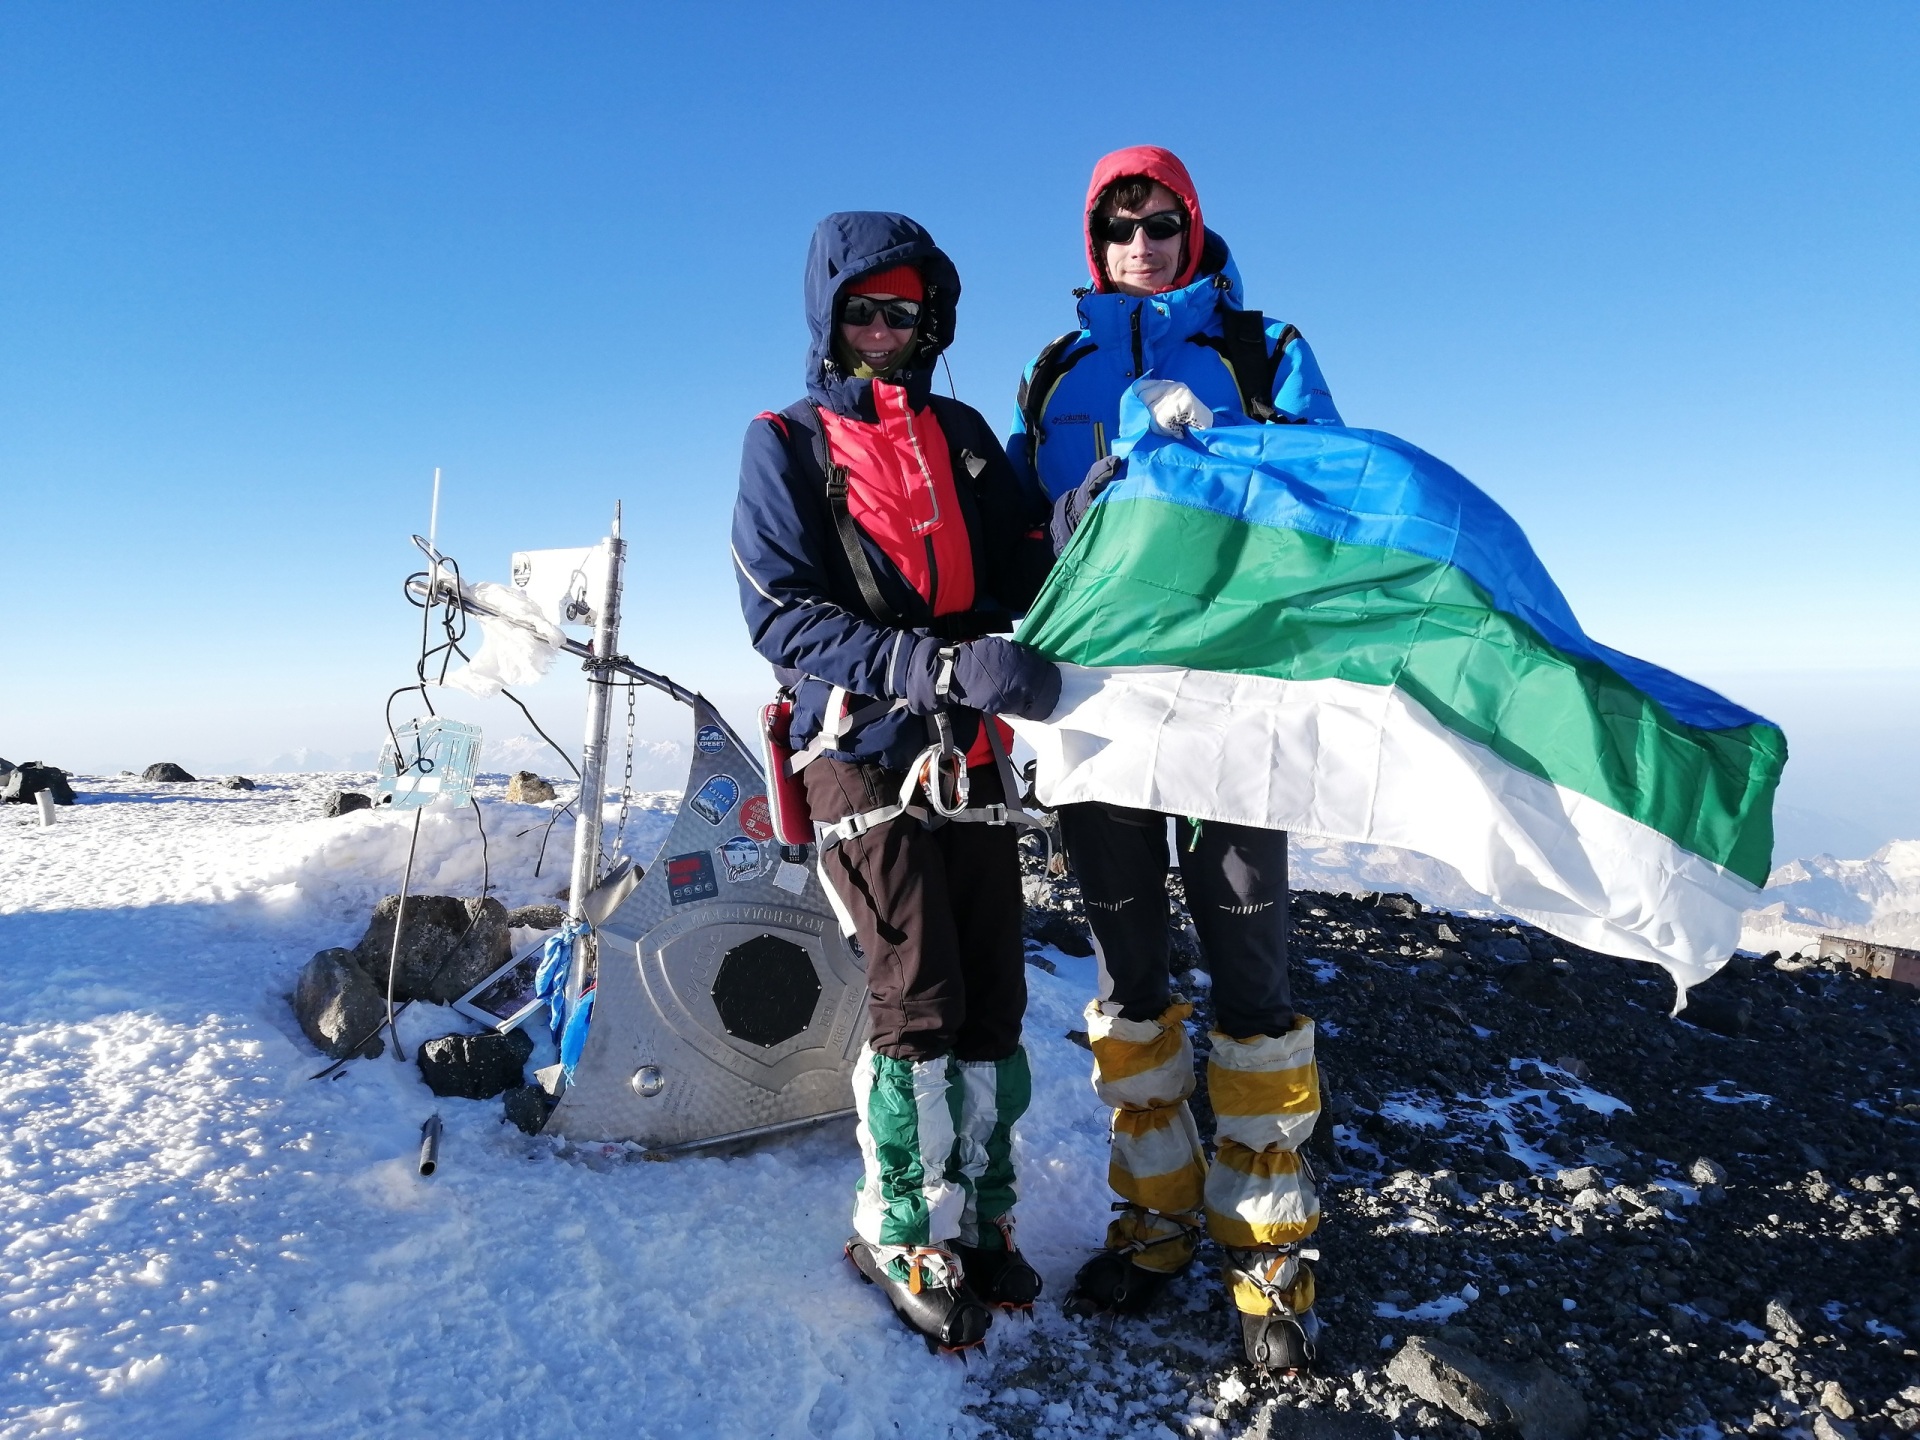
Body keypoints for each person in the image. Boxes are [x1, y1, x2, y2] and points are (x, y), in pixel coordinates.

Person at [1010, 146, 1342, 1371]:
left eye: (1162, 222)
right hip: (1098, 710)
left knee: (1252, 972)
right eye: (1119, 225)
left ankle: (1268, 1254)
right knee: (1130, 975)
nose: (1141, 243)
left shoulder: (1262, 352)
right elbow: (1018, 529)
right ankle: (1154, 1219)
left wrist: (1221, 482)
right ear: (1092, 246)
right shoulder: (1057, 371)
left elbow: (1328, 498)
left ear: (1195, 229)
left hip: (1230, 707)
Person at [732, 211, 1059, 1353]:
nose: (885, 330)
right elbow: (781, 613)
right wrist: (929, 660)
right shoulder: (786, 442)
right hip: (858, 748)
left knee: (994, 991)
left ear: (932, 321)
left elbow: (1023, 555)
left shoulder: (963, 433)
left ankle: (982, 1217)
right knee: (917, 983)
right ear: (830, 317)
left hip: (971, 754)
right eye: (864, 310)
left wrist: (1086, 508)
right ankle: (899, 1223)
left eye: (905, 312)